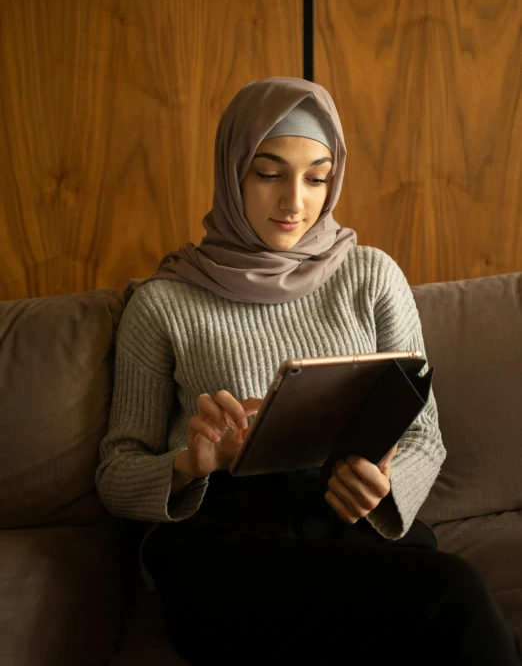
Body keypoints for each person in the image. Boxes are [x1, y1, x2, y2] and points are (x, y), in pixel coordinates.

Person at [96, 77, 521, 666]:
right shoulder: (163, 303)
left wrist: (383, 489)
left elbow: (423, 434)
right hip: (226, 540)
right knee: (451, 594)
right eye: (269, 173)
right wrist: (192, 464)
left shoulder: (370, 276)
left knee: (446, 600)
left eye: (317, 177)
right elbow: (116, 471)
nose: (295, 200)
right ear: (232, 171)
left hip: (345, 521)